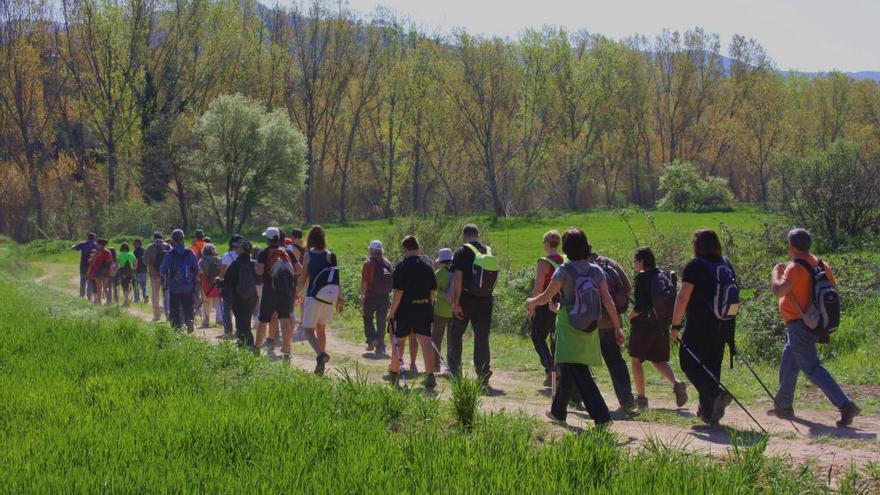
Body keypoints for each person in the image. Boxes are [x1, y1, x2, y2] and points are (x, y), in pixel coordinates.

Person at [525, 228, 622, 428]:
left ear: (566, 248)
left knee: (576, 367)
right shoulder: (596, 270)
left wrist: (531, 301)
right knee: (570, 367)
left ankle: (602, 416)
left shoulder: (565, 270)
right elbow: (607, 300)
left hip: (569, 324)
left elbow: (545, 296)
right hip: (590, 325)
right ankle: (558, 412)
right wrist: (617, 326)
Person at [769, 228, 860, 427]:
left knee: (811, 368)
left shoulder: (794, 267)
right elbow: (832, 290)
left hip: (799, 324)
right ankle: (783, 405)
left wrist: (775, 272)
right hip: (814, 322)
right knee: (789, 360)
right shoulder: (821, 264)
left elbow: (778, 290)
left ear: (791, 247)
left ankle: (846, 405)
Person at [671, 229, 735, 425]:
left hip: (700, 323)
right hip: (725, 323)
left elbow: (683, 297)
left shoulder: (695, 265)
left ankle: (716, 394)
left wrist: (675, 325)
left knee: (688, 362)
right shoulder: (726, 264)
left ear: (697, 246)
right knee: (711, 366)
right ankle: (708, 413)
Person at [628, 247, 687, 410]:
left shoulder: (642, 277)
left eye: (635, 261)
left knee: (635, 360)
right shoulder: (663, 274)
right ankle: (677, 383)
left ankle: (641, 398)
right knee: (658, 359)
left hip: (643, 326)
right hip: (661, 325)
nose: (634, 264)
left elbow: (642, 304)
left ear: (641, 261)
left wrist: (631, 315)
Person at [587, 249, 636, 411]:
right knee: (616, 361)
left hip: (590, 324)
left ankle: (575, 397)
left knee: (578, 361)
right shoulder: (609, 263)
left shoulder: (582, 267)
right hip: (613, 322)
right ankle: (627, 400)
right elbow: (628, 289)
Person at [387, 235, 438, 389]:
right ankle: (430, 376)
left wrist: (392, 312)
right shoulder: (428, 268)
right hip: (423, 308)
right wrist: (426, 304)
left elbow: (398, 292)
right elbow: (433, 291)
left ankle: (394, 375)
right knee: (425, 341)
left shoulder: (401, 267)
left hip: (404, 310)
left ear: (405, 249)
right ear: (418, 248)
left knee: (400, 342)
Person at [448, 224, 495, 386]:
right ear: (478, 234)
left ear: (464, 235)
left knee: (455, 334)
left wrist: (456, 303)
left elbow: (458, 279)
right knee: (482, 337)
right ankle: (483, 374)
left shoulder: (462, 251)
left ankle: (455, 372)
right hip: (486, 299)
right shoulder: (488, 251)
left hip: (466, 299)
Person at [254, 227, 302, 359]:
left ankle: (257, 347)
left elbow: (259, 271)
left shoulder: (264, 253)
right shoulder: (288, 252)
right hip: (286, 292)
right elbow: (299, 270)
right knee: (285, 321)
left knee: (263, 320)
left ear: (268, 239)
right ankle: (287, 351)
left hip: (270, 291)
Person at [298, 225, 340, 375]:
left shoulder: (308, 255)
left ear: (310, 239)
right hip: (328, 297)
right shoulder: (330, 255)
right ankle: (321, 366)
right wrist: (340, 298)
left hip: (313, 296)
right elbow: (336, 278)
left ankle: (320, 355)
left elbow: (303, 278)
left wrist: (297, 294)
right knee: (321, 329)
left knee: (307, 330)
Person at [528, 230, 565, 388]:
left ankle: (550, 369)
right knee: (555, 339)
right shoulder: (565, 259)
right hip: (561, 303)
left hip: (544, 303)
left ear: (546, 244)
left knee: (537, 337)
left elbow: (538, 288)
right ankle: (558, 371)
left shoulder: (544, 262)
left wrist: (532, 307)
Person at [221, 240, 259, 348]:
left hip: (238, 297)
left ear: (242, 250)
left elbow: (228, 281)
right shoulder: (252, 263)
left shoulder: (236, 264)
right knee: (247, 320)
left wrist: (220, 282)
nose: (236, 249)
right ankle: (248, 342)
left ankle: (245, 343)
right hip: (252, 297)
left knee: (241, 321)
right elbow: (259, 280)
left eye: (238, 247)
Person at [160, 229, 199, 333]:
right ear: (183, 239)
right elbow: (197, 269)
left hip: (174, 287)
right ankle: (189, 320)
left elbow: (162, 270)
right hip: (188, 286)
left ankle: (176, 329)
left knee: (175, 310)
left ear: (173, 240)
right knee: (188, 306)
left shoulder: (170, 254)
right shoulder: (190, 252)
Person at [360, 240, 393, 355]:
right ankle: (380, 347)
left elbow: (364, 281)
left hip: (371, 295)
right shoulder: (387, 263)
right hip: (384, 296)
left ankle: (371, 340)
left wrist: (362, 295)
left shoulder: (368, 263)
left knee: (367, 317)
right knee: (381, 322)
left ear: (371, 250)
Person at [431, 248, 455, 373]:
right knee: (452, 340)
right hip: (453, 311)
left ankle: (435, 366)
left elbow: (433, 291)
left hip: (440, 311)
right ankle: (452, 366)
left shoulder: (439, 273)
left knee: (436, 339)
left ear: (441, 260)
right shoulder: (455, 273)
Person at [219, 235, 243, 339]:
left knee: (227, 309)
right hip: (241, 286)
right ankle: (239, 331)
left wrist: (219, 280)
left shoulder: (227, 255)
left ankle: (228, 332)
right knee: (239, 309)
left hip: (228, 286)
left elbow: (222, 273)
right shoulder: (244, 255)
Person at [144, 232, 169, 322]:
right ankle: (168, 315)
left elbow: (145, 260)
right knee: (167, 295)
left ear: (154, 238)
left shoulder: (150, 247)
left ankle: (157, 316)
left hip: (154, 274)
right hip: (166, 274)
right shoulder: (168, 246)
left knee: (155, 294)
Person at [199, 243, 222, 329]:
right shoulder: (219, 259)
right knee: (218, 302)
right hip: (216, 283)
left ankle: (206, 321)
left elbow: (199, 273)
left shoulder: (201, 260)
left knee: (206, 303)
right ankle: (220, 319)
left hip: (205, 283)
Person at [72, 233, 97, 298]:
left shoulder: (83, 244)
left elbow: (73, 248)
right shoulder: (96, 245)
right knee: (90, 280)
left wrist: (74, 245)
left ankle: (82, 295)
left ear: (87, 237)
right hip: (92, 265)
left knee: (83, 280)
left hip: (83, 265)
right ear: (94, 238)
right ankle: (89, 295)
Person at [88, 239, 112, 306]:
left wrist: (95, 257)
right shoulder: (108, 252)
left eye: (97, 243)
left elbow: (93, 262)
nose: (96, 244)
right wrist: (110, 271)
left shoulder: (97, 252)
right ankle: (108, 300)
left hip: (97, 271)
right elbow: (110, 262)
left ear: (100, 244)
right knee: (105, 286)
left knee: (99, 287)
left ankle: (99, 302)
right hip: (105, 271)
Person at [116, 242, 137, 307]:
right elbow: (135, 263)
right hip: (130, 272)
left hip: (122, 272)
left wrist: (115, 272)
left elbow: (117, 264)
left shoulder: (119, 255)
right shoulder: (132, 254)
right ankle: (127, 299)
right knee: (129, 285)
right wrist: (133, 269)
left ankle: (126, 300)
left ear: (121, 248)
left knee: (124, 286)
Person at [133, 239, 148, 304]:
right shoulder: (144, 251)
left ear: (138, 244)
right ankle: (146, 295)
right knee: (143, 285)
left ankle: (137, 298)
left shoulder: (135, 252)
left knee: (136, 285)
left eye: (135, 244)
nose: (134, 245)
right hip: (144, 270)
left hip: (137, 270)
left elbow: (135, 261)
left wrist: (134, 269)